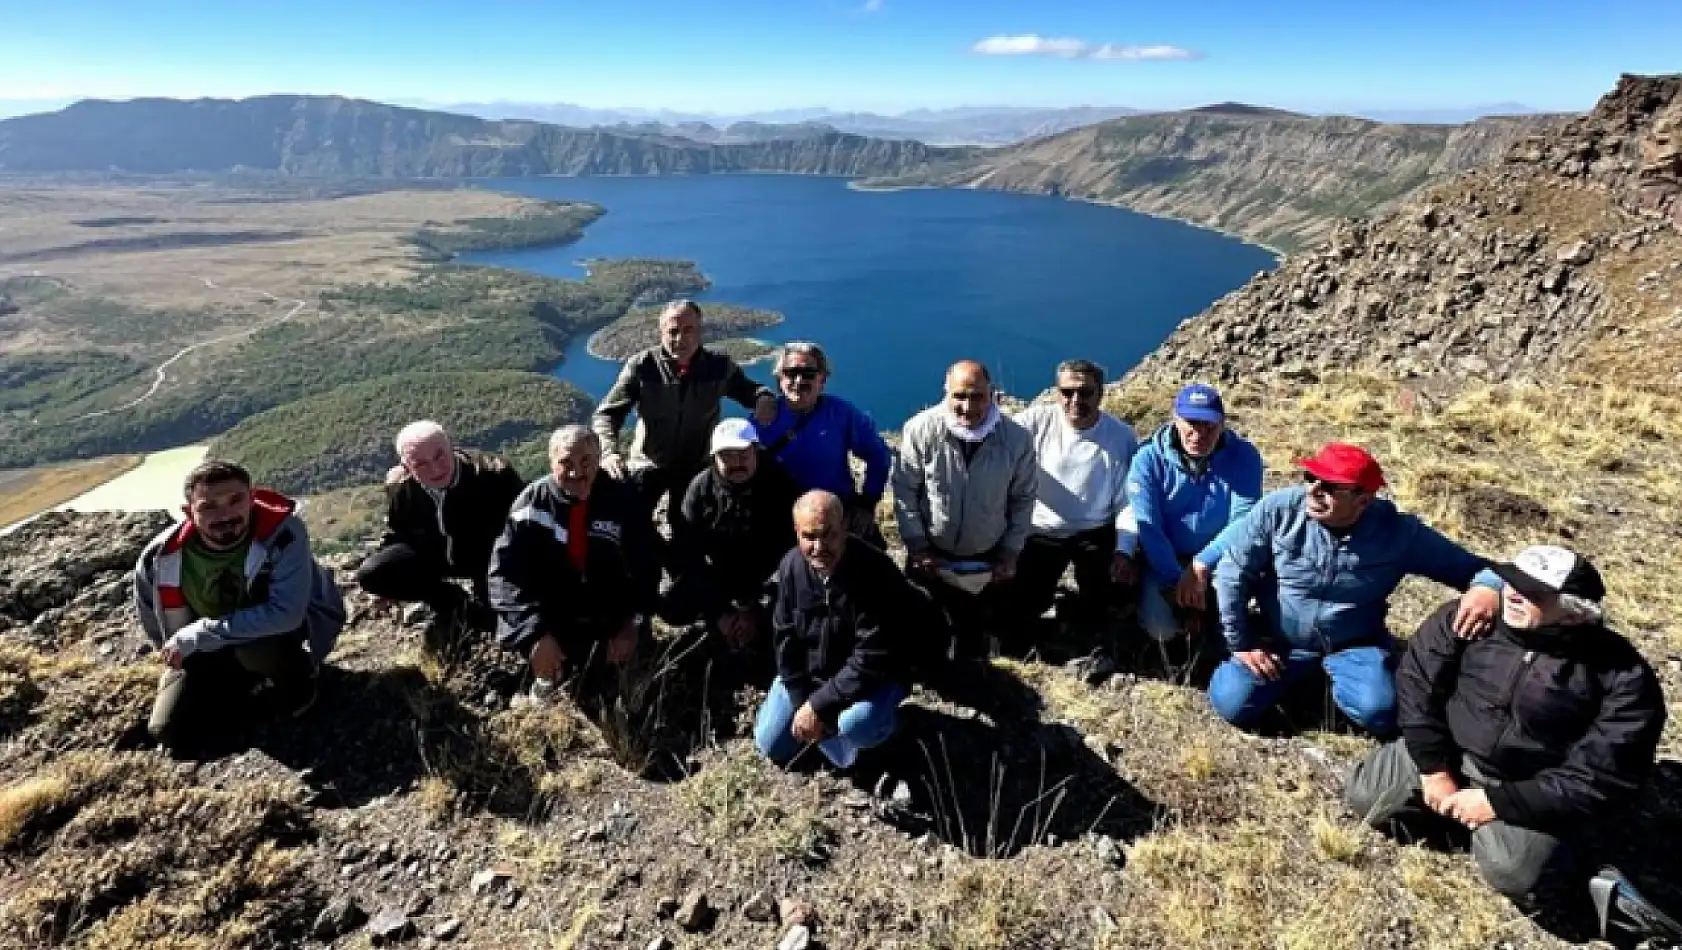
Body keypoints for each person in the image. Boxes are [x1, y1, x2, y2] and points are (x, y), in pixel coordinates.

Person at [1346, 546, 1665, 906]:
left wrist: (1500, 803)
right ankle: (1460, 816)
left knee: (1516, 873)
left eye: (1534, 594)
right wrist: (1433, 767)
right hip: (1450, 751)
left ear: (1576, 614)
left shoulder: (1622, 675)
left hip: (1527, 785)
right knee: (1367, 797)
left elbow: (1602, 773)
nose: (1513, 594)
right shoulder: (1468, 618)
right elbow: (1417, 684)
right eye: (1511, 582)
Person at [1209, 442, 1499, 734]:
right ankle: (1302, 678)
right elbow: (1231, 573)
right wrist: (1241, 644)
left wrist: (1486, 588)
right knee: (1232, 702)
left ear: (1363, 499)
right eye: (1310, 478)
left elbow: (1484, 570)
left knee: (1381, 711)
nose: (1313, 490)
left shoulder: (1399, 534)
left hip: (1353, 645)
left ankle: (1340, 678)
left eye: (1330, 487)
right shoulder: (1279, 511)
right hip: (1278, 640)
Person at [135, 459, 346, 753]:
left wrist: (202, 633)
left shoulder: (283, 534)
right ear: (188, 512)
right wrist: (183, 648)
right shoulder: (160, 558)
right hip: (207, 648)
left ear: (252, 499)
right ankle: (234, 686)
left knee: (255, 651)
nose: (226, 514)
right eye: (209, 506)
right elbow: (157, 622)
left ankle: (299, 683)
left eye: (235, 500)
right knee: (167, 731)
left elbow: (286, 613)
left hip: (271, 639)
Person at [487, 426, 660, 690]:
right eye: (565, 462)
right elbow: (504, 573)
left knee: (618, 678)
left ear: (599, 459)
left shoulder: (623, 500)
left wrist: (634, 622)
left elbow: (647, 564)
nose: (576, 472)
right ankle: (546, 672)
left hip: (608, 609)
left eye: (586, 461)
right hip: (553, 611)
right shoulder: (531, 504)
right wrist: (535, 634)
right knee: (539, 650)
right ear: (551, 461)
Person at [757, 490, 921, 767]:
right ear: (796, 533)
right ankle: (824, 728)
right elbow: (785, 639)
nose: (819, 547)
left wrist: (820, 705)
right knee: (771, 744)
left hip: (873, 678)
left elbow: (872, 656)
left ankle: (895, 724)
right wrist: (802, 703)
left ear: (845, 528)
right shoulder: (790, 567)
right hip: (816, 674)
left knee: (857, 725)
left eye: (827, 534)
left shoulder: (875, 572)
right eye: (809, 537)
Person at [892, 360, 1039, 659]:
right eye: (959, 396)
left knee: (981, 639)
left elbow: (1023, 499)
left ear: (992, 395)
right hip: (932, 555)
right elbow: (905, 491)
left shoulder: (1016, 439)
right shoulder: (920, 430)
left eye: (977, 396)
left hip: (987, 558)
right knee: (925, 633)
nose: (968, 406)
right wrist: (917, 545)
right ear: (946, 393)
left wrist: (1010, 551)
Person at [592, 299, 778, 512]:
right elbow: (607, 414)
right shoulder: (642, 366)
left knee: (691, 528)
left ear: (700, 331)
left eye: (688, 330)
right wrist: (609, 453)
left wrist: (763, 397)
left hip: (697, 466)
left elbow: (749, 391)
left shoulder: (718, 366)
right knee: (629, 521)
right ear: (661, 333)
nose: (680, 338)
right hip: (649, 463)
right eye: (673, 331)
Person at [354, 420, 526, 644]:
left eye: (440, 456)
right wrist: (386, 585)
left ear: (451, 447)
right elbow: (398, 530)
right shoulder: (401, 487)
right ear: (406, 467)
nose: (435, 469)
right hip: (434, 554)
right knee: (373, 573)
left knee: (497, 622)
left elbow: (524, 530)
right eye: (421, 464)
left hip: (485, 558)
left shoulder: (493, 474)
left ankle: (483, 604)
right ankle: (451, 601)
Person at [1007, 359, 1139, 641]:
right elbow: (994, 440)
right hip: (1040, 531)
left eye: (1085, 392)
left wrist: (1124, 551)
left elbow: (1128, 502)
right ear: (1056, 393)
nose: (1075, 400)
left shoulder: (1120, 437)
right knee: (1021, 606)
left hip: (1095, 532)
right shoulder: (1032, 424)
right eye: (1067, 392)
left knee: (1109, 602)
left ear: (1101, 393)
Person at [1125, 383, 1264, 645]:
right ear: (1176, 420)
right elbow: (1149, 527)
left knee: (1230, 619)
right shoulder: (1147, 458)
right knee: (1161, 628)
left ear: (1222, 424)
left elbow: (1243, 521)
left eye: (1209, 425)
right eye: (1191, 423)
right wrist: (1177, 582)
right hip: (1166, 558)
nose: (1198, 434)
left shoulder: (1244, 457)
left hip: (1221, 557)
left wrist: (1201, 565)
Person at [664, 418, 802, 653]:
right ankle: (720, 626)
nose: (736, 463)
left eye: (743, 455)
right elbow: (688, 553)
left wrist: (757, 607)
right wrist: (718, 611)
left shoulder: (780, 485)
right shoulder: (700, 489)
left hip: (767, 577)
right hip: (720, 575)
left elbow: (796, 549)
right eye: (727, 456)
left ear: (756, 451)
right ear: (713, 458)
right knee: (673, 606)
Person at [752, 341, 893, 546]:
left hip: (837, 514)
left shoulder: (841, 414)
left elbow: (877, 454)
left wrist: (866, 503)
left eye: (808, 373)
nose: (799, 381)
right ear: (779, 380)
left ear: (822, 379)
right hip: (781, 518)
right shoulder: (762, 419)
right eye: (790, 373)